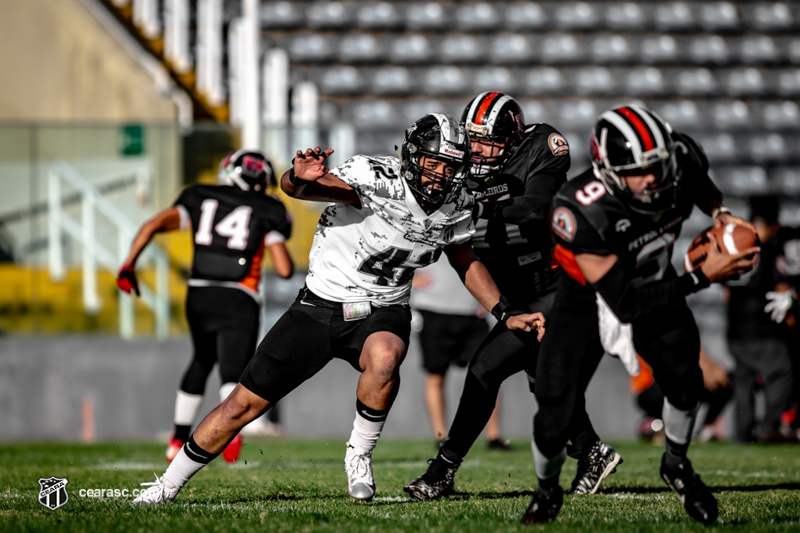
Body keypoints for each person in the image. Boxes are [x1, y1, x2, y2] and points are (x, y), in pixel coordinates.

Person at [130, 113, 544, 506]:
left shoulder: (459, 203)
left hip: (383, 308)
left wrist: (505, 311)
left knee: (384, 357)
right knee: (241, 405)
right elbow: (303, 188)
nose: (441, 174)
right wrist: (296, 176)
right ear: (414, 156)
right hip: (319, 305)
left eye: (451, 166)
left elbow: (465, 260)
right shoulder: (377, 178)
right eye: (434, 163)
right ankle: (168, 483)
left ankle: (359, 455)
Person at [522, 104, 759, 525]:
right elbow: (625, 305)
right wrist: (702, 276)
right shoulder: (579, 208)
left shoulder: (679, 161)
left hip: (655, 282)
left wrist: (720, 214)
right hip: (590, 298)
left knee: (686, 381)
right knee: (554, 408)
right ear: (608, 170)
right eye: (636, 171)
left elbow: (700, 183)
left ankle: (677, 464)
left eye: (656, 165)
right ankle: (546, 490)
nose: (650, 178)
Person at [405, 92, 618, 502]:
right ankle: (592, 450)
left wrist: (477, 201)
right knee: (543, 383)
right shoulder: (461, 163)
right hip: (515, 293)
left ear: (513, 139)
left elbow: (537, 207)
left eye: (488, 142)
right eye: (473, 140)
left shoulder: (544, 147)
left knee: (485, 369)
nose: (478, 150)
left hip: (558, 286)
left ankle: (441, 472)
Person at [117, 150, 293, 463]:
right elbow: (283, 269)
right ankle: (230, 437)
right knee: (233, 371)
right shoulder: (268, 208)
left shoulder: (199, 195)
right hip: (239, 295)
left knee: (200, 359)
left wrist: (128, 264)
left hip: (199, 293)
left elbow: (153, 224)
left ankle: (177, 437)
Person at [410, 257, 507, 448]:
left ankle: (493, 437)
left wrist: (491, 300)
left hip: (473, 313)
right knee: (436, 375)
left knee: (487, 372)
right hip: (432, 311)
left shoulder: (476, 230)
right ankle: (441, 437)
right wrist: (409, 281)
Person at [726, 194, 794, 443]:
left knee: (743, 377)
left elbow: (726, 290)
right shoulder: (770, 248)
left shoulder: (735, 246)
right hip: (763, 330)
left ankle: (742, 432)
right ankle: (768, 427)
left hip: (735, 330)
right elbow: (781, 287)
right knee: (782, 371)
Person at [633, 348, 732, 443]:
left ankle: (706, 431)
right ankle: (661, 427)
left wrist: (710, 369)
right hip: (651, 388)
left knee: (726, 382)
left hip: (677, 383)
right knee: (679, 383)